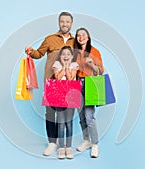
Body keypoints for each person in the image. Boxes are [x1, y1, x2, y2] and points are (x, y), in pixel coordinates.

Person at [25, 12, 75, 156]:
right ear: (59, 23)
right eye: (62, 21)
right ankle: (52, 143)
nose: (64, 24)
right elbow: (38, 54)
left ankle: (66, 146)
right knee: (51, 113)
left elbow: (82, 58)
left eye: (67, 22)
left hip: (70, 83)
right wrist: (30, 51)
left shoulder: (75, 41)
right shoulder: (50, 39)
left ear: (71, 24)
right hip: (51, 82)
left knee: (67, 115)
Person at [74, 28, 104, 158]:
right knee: (81, 116)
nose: (81, 37)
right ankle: (86, 140)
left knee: (89, 116)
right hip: (77, 83)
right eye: (78, 35)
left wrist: (92, 65)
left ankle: (95, 144)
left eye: (83, 35)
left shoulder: (95, 51)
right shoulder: (74, 52)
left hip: (90, 83)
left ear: (88, 37)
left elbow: (100, 71)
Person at [52, 46, 78, 159]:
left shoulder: (74, 65)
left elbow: (71, 78)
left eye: (68, 54)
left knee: (69, 122)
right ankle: (62, 147)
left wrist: (67, 66)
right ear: (60, 56)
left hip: (71, 96)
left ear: (72, 56)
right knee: (61, 122)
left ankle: (69, 147)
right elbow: (58, 78)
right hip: (59, 96)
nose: (66, 56)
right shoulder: (56, 64)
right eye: (63, 54)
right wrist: (63, 65)